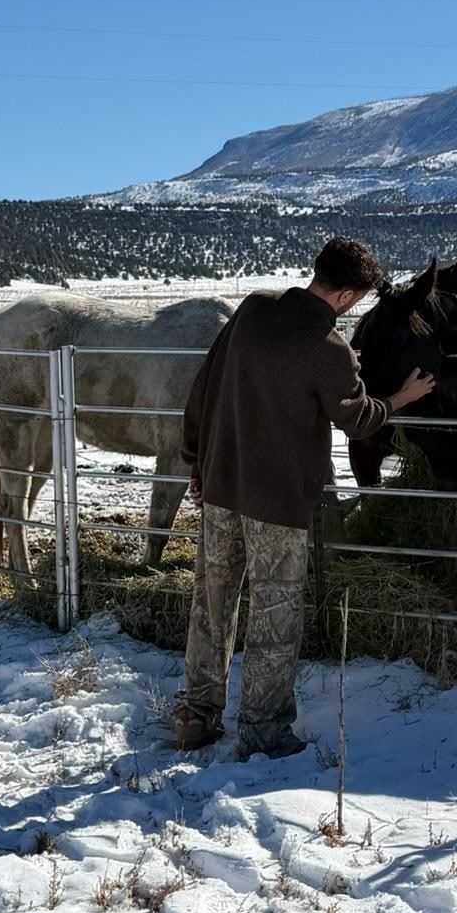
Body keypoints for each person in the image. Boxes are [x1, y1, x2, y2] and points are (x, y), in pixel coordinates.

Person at [173, 238, 437, 758]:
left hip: (223, 482)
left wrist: (196, 462)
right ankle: (263, 730)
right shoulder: (327, 346)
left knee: (212, 603)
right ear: (344, 295)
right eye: (356, 300)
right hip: (278, 501)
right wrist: (400, 399)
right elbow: (357, 420)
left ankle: (197, 714)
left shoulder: (252, 308)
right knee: (275, 613)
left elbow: (204, 386)